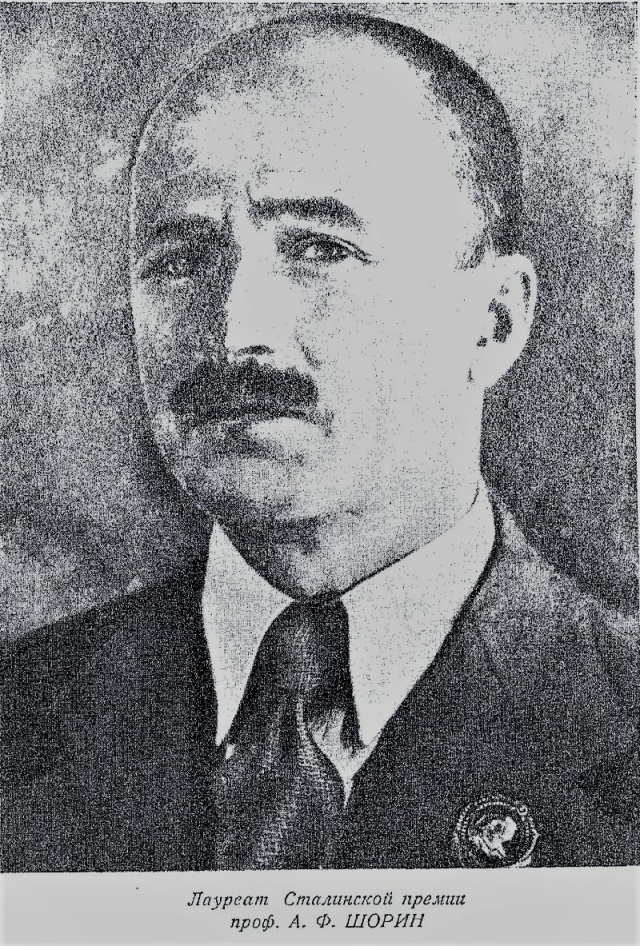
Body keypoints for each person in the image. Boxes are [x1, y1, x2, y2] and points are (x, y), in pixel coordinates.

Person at [2, 12, 638, 871]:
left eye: (319, 248)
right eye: (182, 259)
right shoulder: (23, 713)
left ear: (492, 321)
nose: (237, 333)